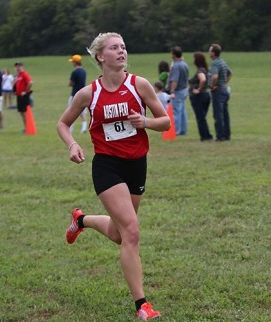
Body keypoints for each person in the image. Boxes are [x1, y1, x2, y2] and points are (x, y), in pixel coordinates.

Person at [56, 32, 170, 321]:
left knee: (120, 234)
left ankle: (81, 220)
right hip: (107, 166)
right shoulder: (88, 93)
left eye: (123, 47)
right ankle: (142, 305)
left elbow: (166, 121)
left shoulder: (139, 85)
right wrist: (72, 144)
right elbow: (63, 123)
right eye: (114, 48)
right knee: (131, 231)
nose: (121, 52)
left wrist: (145, 121)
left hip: (137, 165)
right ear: (100, 57)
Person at [209, 43, 232, 141]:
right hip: (224, 89)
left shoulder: (214, 63)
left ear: (213, 53)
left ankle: (220, 136)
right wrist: (225, 83)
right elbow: (230, 73)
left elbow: (214, 76)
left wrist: (212, 86)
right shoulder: (222, 61)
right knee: (225, 114)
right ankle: (227, 135)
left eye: (210, 51)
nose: (209, 52)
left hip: (218, 91)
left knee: (218, 115)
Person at [189, 52, 213, 141]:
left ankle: (205, 137)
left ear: (197, 60)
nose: (193, 60)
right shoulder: (207, 69)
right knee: (202, 117)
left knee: (200, 118)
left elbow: (203, 80)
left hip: (199, 97)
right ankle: (207, 135)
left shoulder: (200, 70)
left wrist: (198, 90)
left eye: (194, 58)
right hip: (206, 94)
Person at [168, 46, 189, 136]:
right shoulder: (184, 64)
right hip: (184, 89)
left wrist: (172, 91)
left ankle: (176, 131)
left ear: (174, 54)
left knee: (176, 112)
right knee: (183, 112)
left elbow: (175, 80)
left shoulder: (176, 65)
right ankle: (183, 130)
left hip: (178, 91)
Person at [68, 54, 88, 134]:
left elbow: (70, 83)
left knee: (71, 111)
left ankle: (70, 129)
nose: (72, 63)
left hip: (75, 94)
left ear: (75, 62)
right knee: (83, 112)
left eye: (73, 62)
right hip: (83, 94)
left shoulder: (74, 72)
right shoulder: (84, 71)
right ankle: (84, 128)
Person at [13, 61, 33, 132]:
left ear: (22, 66)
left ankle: (28, 128)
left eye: (19, 66)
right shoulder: (18, 75)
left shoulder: (24, 74)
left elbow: (30, 82)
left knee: (24, 112)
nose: (18, 68)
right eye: (16, 66)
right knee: (21, 112)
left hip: (23, 96)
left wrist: (26, 91)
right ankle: (25, 127)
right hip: (19, 96)